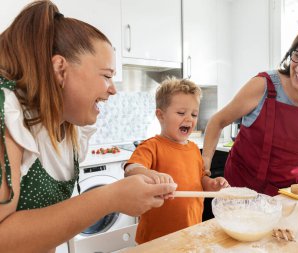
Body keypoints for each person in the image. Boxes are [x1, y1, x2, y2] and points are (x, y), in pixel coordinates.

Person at [0, 1, 177, 252]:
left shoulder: (69, 128)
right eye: (106, 76)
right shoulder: (7, 113)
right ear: (60, 69)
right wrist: (111, 197)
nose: (113, 89)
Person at [202, 23, 298, 196]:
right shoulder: (263, 86)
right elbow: (218, 121)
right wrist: (204, 165)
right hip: (242, 188)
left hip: (293, 194)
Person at [124, 77, 229, 244]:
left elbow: (200, 180)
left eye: (194, 114)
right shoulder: (152, 146)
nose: (189, 119)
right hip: (155, 240)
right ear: (161, 115)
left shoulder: (194, 149)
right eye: (181, 113)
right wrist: (151, 174)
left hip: (191, 233)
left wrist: (212, 184)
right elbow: (130, 170)